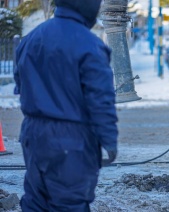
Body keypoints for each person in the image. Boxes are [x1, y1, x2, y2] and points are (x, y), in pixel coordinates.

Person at [13, 0, 118, 210]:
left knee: (35, 200)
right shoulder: (90, 45)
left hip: (33, 135)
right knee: (70, 203)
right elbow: (100, 101)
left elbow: (20, 84)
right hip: (71, 140)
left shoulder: (31, 39)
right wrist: (109, 141)